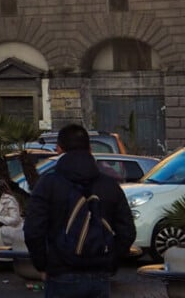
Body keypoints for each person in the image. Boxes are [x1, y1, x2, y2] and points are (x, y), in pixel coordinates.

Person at [24, 123, 135, 297]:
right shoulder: (109, 185)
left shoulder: (48, 184)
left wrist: (43, 264)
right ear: (90, 148)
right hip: (99, 272)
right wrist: (111, 260)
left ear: (58, 149)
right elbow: (127, 230)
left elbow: (33, 230)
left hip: (60, 271)